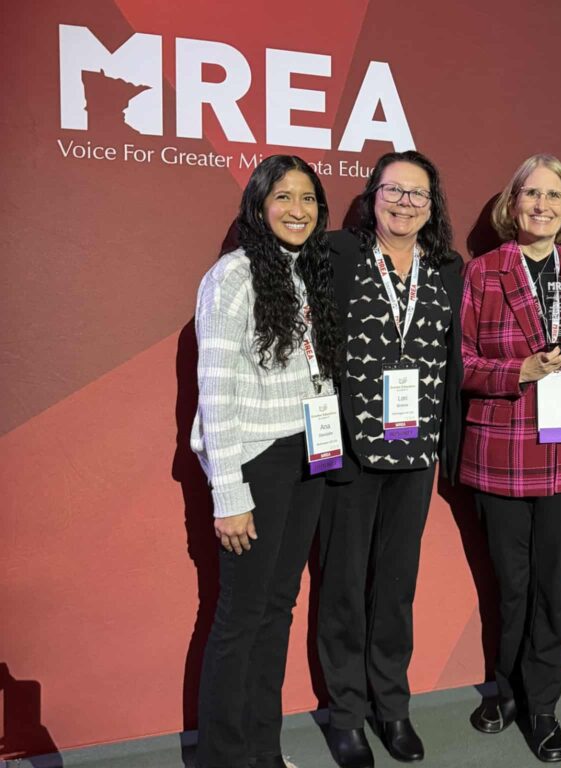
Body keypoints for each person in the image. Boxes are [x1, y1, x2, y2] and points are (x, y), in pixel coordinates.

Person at [460, 154, 561, 763]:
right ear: (514, 203)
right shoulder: (483, 272)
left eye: (555, 195)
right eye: (532, 193)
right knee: (512, 587)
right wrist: (518, 371)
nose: (542, 205)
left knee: (553, 590)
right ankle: (506, 691)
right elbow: (461, 363)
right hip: (502, 452)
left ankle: (543, 706)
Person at [191, 155, 343, 768]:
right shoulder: (232, 276)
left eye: (307, 199)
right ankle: (223, 758)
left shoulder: (306, 272)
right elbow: (215, 389)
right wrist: (229, 493)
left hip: (308, 455)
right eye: (283, 197)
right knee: (241, 617)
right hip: (257, 461)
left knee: (278, 610)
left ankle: (262, 751)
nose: (297, 210)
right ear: (258, 205)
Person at [316, 151, 463, 768]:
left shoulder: (448, 268)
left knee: (397, 586)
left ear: (432, 205)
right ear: (372, 195)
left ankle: (392, 705)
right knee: (343, 587)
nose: (405, 203)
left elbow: (455, 357)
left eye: (417, 194)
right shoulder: (337, 254)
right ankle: (346, 714)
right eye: (394, 190)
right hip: (349, 448)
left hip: (417, 447)